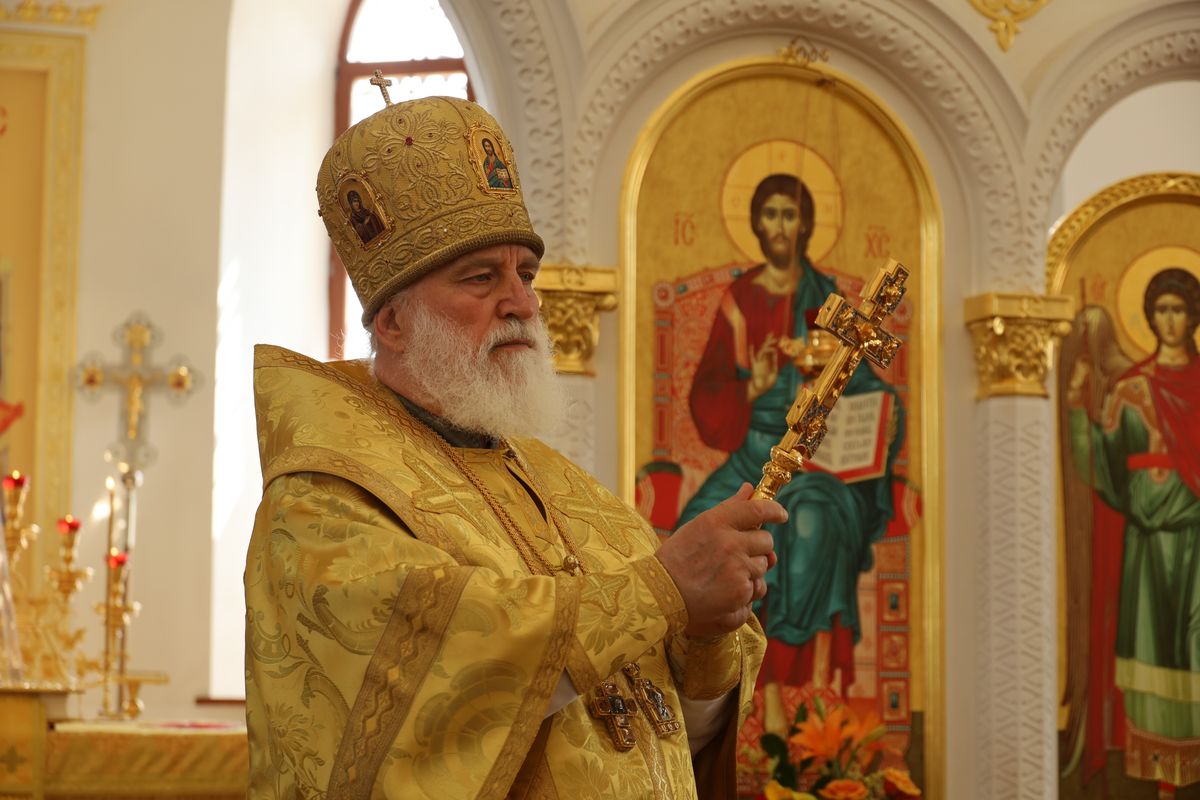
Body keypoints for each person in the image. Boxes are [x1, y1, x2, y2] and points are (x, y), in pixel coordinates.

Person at [245, 95, 783, 799]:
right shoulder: (326, 503)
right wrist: (663, 590)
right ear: (394, 321)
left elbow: (682, 733)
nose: (523, 304)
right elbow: (436, 693)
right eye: (481, 277)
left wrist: (705, 629)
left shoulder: (570, 495)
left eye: (525, 275)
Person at [678, 174, 903, 730]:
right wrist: (751, 387)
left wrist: (887, 414)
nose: (781, 226)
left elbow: (865, 387)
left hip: (822, 464)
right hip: (753, 454)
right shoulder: (740, 302)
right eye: (771, 214)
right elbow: (706, 398)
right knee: (695, 531)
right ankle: (706, 696)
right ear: (757, 223)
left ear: (806, 225)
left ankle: (792, 699)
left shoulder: (832, 302)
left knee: (810, 528)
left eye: (791, 214)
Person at [1065, 267, 1200, 790]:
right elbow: (1105, 467)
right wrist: (1078, 407)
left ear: (1193, 316)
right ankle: (1159, 774)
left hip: (1194, 539)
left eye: (1179, 310)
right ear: (1149, 316)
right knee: (1150, 647)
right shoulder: (1132, 388)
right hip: (1146, 543)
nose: (1170, 320)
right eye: (1161, 310)